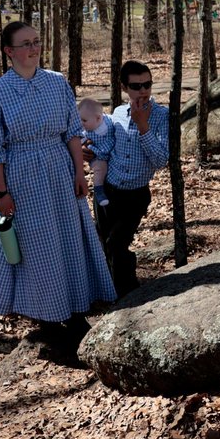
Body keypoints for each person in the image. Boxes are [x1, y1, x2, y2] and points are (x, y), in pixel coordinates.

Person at [0, 22, 116, 344]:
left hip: (60, 169)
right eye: (25, 44)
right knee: (38, 247)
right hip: (22, 175)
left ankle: (77, 311)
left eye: (36, 41)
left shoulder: (57, 83)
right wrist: (1, 192)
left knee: (68, 239)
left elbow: (71, 132)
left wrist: (79, 173)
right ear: (9, 51)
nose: (33, 48)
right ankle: (48, 317)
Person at [92, 60, 169, 297]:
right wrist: (91, 153)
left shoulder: (162, 116)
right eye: (136, 86)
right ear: (124, 87)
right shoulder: (116, 114)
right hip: (108, 190)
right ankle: (107, 291)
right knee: (103, 241)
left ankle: (128, 293)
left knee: (117, 243)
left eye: (147, 84)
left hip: (135, 195)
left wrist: (143, 126)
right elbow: (107, 147)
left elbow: (160, 160)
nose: (143, 90)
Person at [78, 97, 113, 207]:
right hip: (98, 155)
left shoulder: (110, 122)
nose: (81, 123)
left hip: (113, 152)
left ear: (98, 118)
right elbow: (79, 141)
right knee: (99, 168)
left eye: (84, 120)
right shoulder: (85, 132)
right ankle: (98, 190)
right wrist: (82, 146)